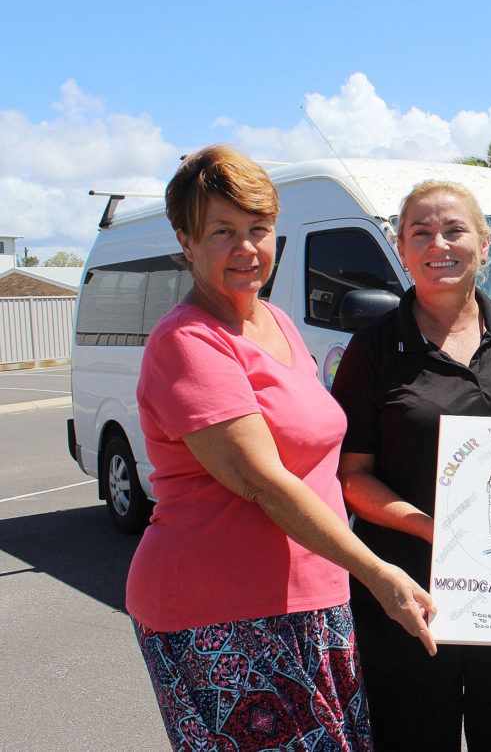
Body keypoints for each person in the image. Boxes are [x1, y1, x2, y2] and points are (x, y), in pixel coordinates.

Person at [126, 145, 436, 752]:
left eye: (258, 229)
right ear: (186, 241)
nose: (246, 249)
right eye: (223, 232)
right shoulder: (188, 340)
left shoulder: (274, 320)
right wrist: (379, 574)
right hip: (223, 615)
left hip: (314, 596)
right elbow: (264, 481)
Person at [330, 179, 491, 751]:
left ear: (485, 244)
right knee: (413, 737)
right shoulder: (373, 347)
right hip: (407, 591)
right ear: (402, 249)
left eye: (456, 229)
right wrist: (433, 530)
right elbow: (352, 476)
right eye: (421, 233)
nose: (440, 243)